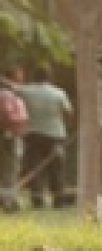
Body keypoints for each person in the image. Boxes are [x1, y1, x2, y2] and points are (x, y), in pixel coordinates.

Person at [16, 65, 73, 209]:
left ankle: (37, 198)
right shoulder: (59, 92)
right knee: (56, 167)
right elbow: (69, 112)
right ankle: (58, 198)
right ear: (50, 77)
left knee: (35, 167)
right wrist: (66, 127)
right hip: (55, 134)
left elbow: (12, 88)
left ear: (34, 77)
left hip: (33, 134)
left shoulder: (25, 91)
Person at [0, 63, 25, 213]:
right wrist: (17, 124)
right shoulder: (7, 94)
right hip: (8, 135)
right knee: (10, 169)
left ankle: (8, 198)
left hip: (11, 134)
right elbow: (7, 114)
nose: (22, 78)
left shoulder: (12, 93)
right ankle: (9, 201)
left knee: (11, 168)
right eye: (19, 75)